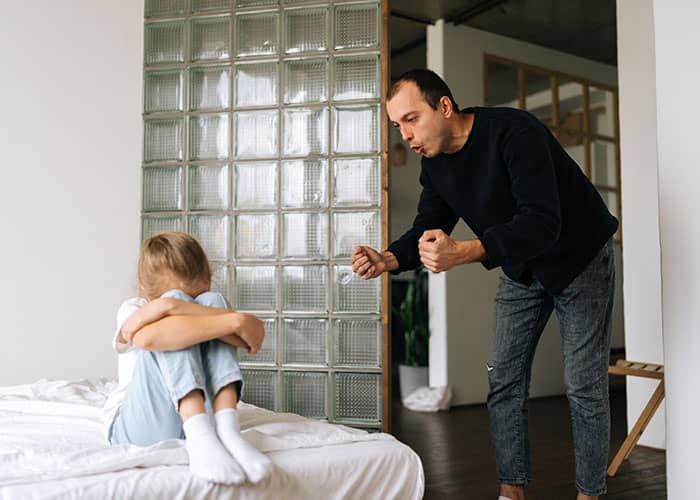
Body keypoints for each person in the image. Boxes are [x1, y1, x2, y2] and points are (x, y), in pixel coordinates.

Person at [351, 69, 617, 500]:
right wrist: (388, 259)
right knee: (504, 378)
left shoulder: (514, 133)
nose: (405, 135)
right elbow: (426, 228)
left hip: (580, 258)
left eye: (411, 119)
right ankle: (511, 493)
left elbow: (541, 223)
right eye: (397, 125)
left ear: (444, 106)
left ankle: (589, 495)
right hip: (522, 268)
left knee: (582, 385)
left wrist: (464, 252)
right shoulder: (435, 165)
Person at [104, 231, 272, 485]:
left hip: (208, 415)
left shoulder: (210, 302)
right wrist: (174, 306)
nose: (194, 303)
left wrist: (186, 309)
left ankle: (228, 431)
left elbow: (254, 338)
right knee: (177, 326)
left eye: (196, 297)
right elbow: (149, 339)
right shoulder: (133, 309)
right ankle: (199, 433)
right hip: (138, 431)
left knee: (213, 302)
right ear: (145, 291)